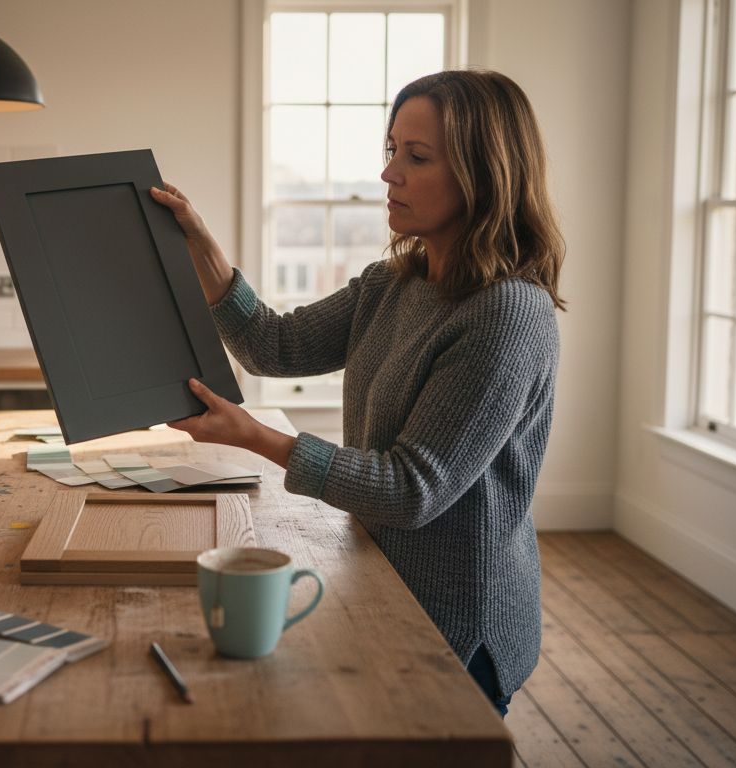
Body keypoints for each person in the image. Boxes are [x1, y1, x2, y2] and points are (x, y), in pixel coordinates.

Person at [149, 69, 565, 716]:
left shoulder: (506, 314)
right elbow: (274, 347)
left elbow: (410, 490)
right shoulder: (392, 284)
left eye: (417, 157)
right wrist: (204, 252)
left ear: (484, 176)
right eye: (391, 150)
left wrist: (257, 438)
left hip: (458, 631)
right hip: (381, 584)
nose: (389, 174)